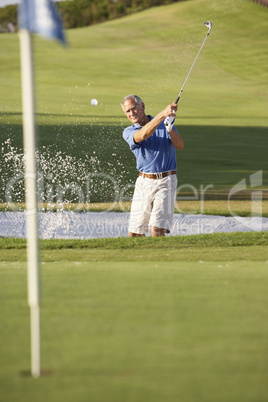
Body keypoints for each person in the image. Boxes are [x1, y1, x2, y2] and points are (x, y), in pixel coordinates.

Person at [121, 94, 184, 237]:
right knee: (135, 233)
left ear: (142, 106)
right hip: (143, 182)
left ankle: (161, 258)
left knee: (157, 229)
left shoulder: (164, 124)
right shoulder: (128, 132)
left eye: (134, 109)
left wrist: (170, 128)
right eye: (128, 112)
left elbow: (179, 145)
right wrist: (163, 114)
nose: (132, 114)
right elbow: (142, 135)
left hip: (166, 181)